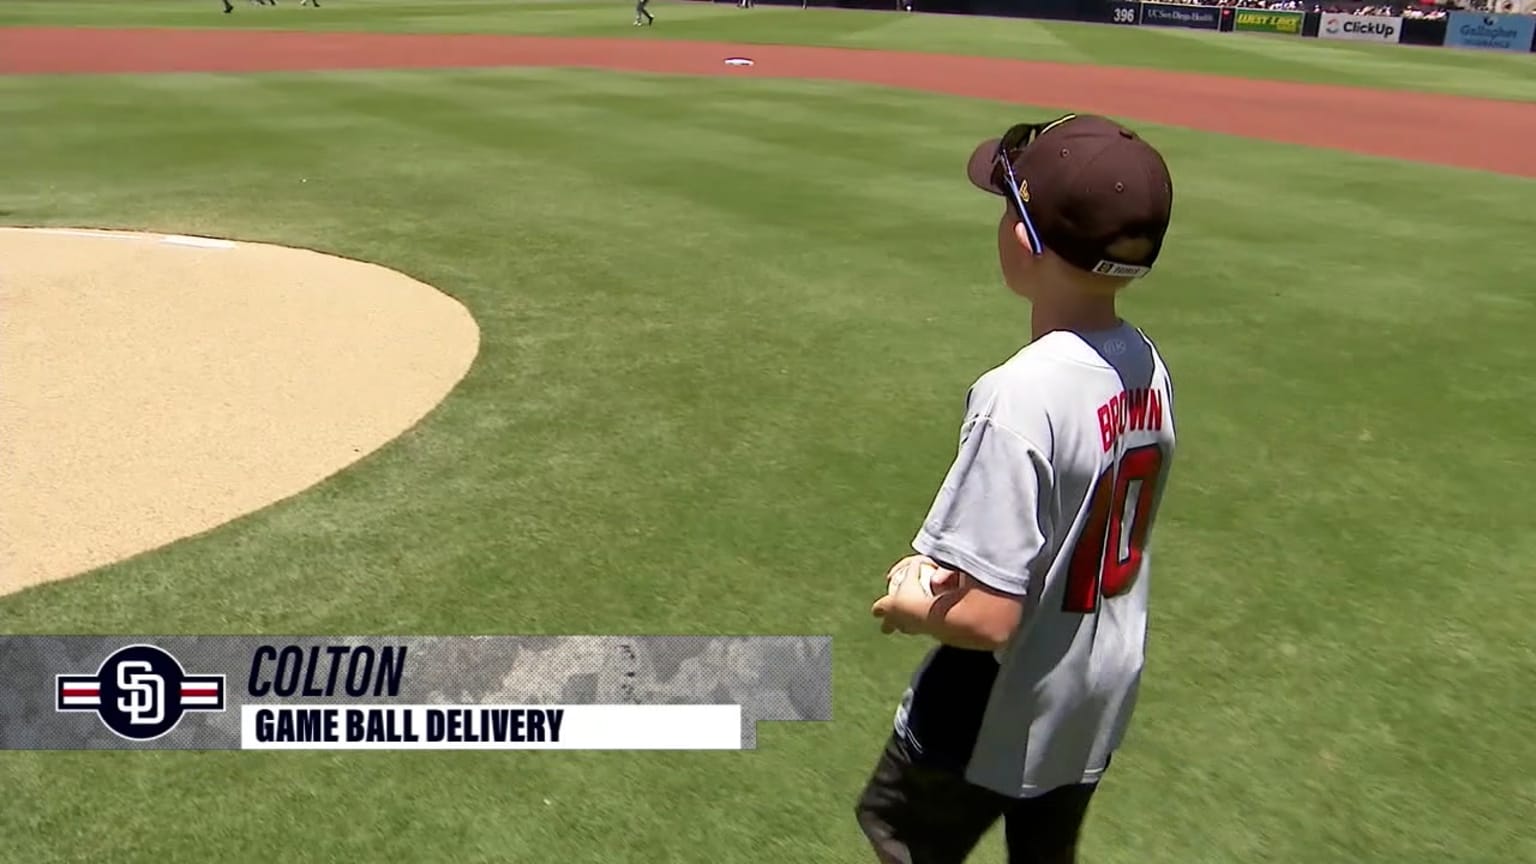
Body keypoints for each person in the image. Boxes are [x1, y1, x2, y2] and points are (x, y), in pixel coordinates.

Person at [858, 113, 1179, 864]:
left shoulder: (1020, 396)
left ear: (1026, 239)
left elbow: (989, 619)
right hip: (1095, 684)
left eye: (1009, 205)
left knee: (899, 832)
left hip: (1000, 701)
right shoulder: (1144, 361)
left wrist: (910, 600)